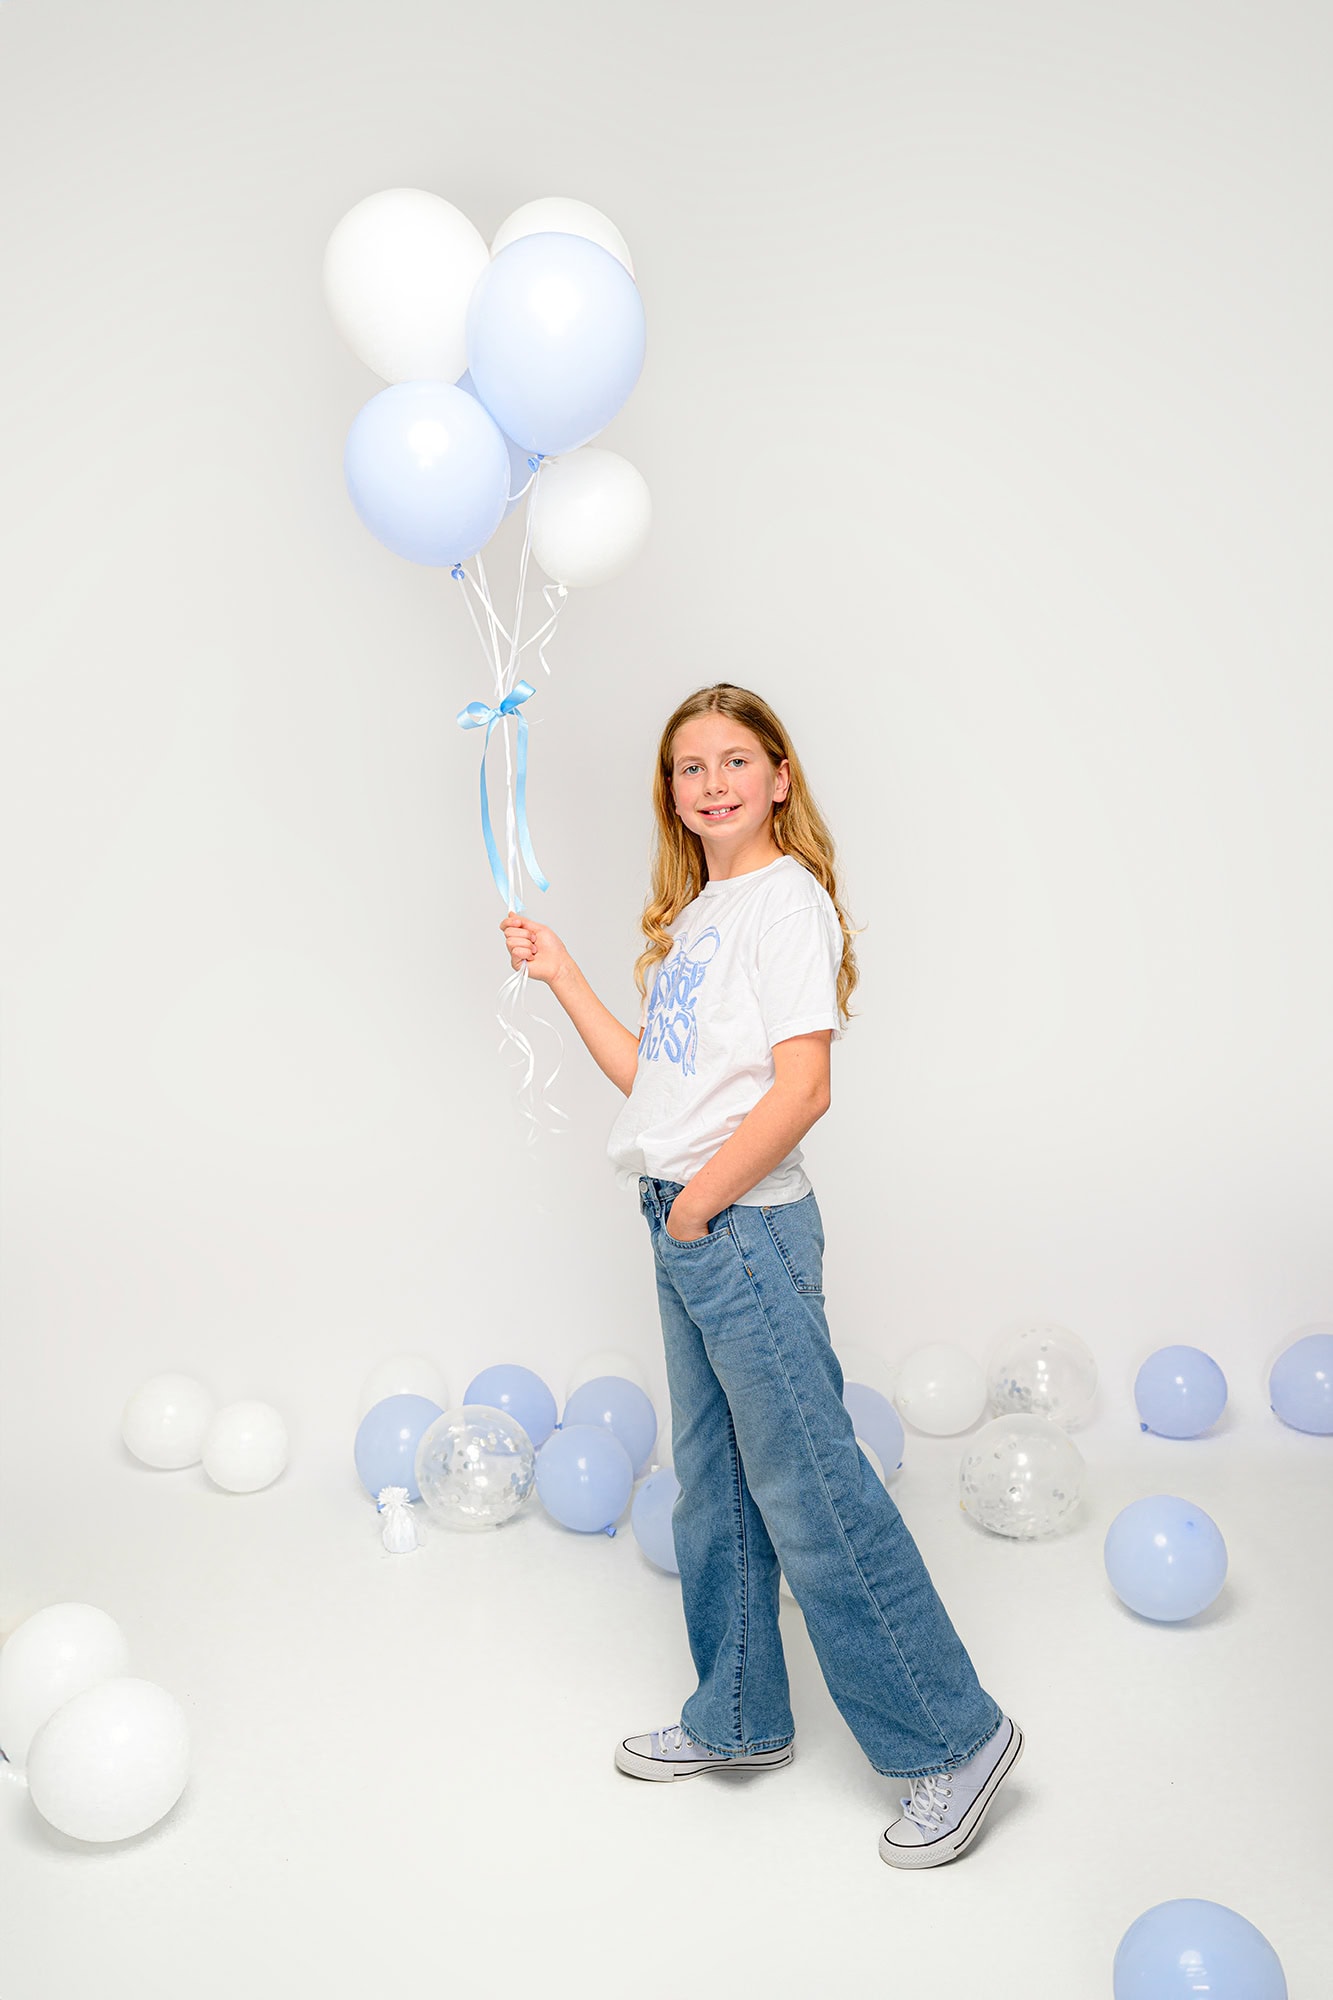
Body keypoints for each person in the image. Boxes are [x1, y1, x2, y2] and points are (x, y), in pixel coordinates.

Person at [499, 683, 1023, 1868]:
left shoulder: (787, 905)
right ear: (671, 793)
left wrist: (695, 1203)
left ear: (780, 776)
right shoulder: (704, 914)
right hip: (688, 1221)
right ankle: (736, 1714)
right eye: (691, 767)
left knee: (813, 1494)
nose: (714, 782)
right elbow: (660, 1087)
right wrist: (569, 975)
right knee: (718, 1487)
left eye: (737, 759)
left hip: (735, 1228)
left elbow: (802, 1090)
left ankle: (956, 1733)